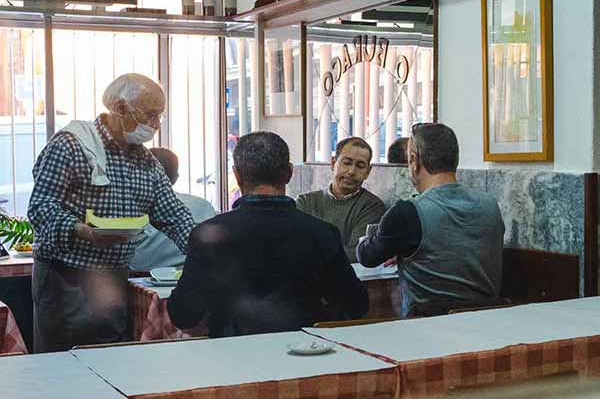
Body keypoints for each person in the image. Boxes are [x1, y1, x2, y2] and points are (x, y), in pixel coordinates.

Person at [28, 73, 195, 352]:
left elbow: (174, 215)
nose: (154, 125)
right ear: (119, 106)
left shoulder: (147, 163)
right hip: (67, 277)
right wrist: (81, 230)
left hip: (114, 277)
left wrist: (204, 249)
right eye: (150, 115)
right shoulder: (72, 145)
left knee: (110, 358)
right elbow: (41, 207)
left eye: (159, 117)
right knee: (64, 363)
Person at [168, 132, 368, 337]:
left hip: (229, 357)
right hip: (303, 354)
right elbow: (356, 305)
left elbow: (183, 314)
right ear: (289, 173)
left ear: (237, 176)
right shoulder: (322, 233)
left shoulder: (208, 235)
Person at [357, 123, 505, 317]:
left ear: (413, 160)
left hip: (428, 329)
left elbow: (368, 257)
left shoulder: (408, 212)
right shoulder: (490, 205)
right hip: (488, 320)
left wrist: (366, 242)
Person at [296, 137, 386, 263]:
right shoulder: (305, 201)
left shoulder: (372, 207)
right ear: (333, 163)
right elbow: (295, 247)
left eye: (360, 166)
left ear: (367, 172)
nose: (351, 172)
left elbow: (355, 253)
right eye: (347, 163)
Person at [129, 148, 215, 272]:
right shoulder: (204, 206)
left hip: (138, 282)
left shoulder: (132, 208)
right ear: (176, 177)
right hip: (194, 280)